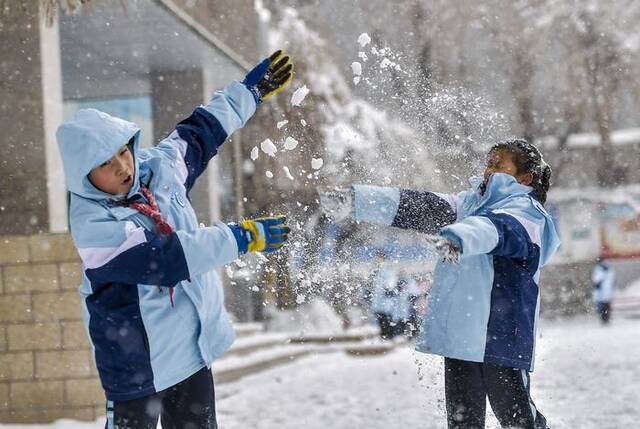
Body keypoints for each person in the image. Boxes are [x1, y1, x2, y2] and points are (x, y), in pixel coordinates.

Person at [56, 51, 293, 429]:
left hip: (191, 352)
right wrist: (241, 237)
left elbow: (201, 132)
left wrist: (250, 91)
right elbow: (165, 261)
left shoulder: (158, 171)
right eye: (105, 163)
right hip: (137, 369)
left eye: (122, 152)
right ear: (84, 176)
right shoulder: (94, 226)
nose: (122, 167)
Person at [323, 139, 560, 429]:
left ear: (525, 178)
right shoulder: (468, 204)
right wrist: (358, 200)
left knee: (518, 420)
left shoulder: (528, 213)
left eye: (499, 166)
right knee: (462, 423)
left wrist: (458, 237)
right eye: (489, 163)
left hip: (501, 335)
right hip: (462, 336)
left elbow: (496, 229)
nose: (488, 170)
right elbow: (418, 204)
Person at [592, 258, 615, 324]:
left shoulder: (598, 269)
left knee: (602, 307)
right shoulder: (609, 269)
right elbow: (613, 280)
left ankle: (604, 319)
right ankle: (606, 319)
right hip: (608, 291)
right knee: (607, 306)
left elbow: (596, 280)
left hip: (601, 292)